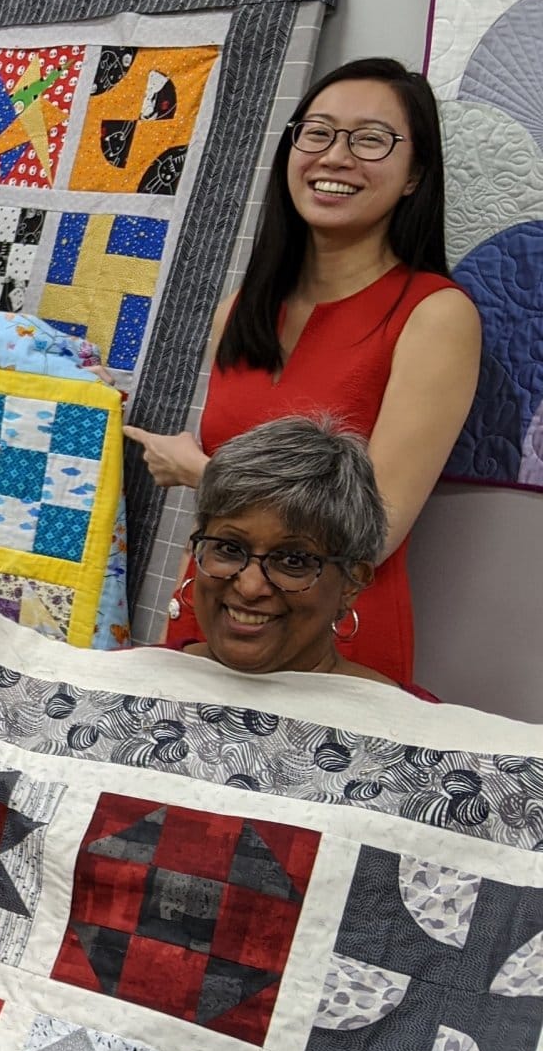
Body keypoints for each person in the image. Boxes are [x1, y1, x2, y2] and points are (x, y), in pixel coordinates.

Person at [126, 58, 481, 683]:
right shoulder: (240, 309)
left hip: (332, 648)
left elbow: (377, 531)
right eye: (316, 132)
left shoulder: (436, 316)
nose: (336, 156)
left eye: (371, 139)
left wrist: (202, 473)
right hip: (214, 622)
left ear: (414, 174)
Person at [166, 417, 435, 699]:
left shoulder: (415, 732)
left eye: (293, 561)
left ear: (352, 581)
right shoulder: (124, 684)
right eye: (229, 549)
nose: (250, 586)